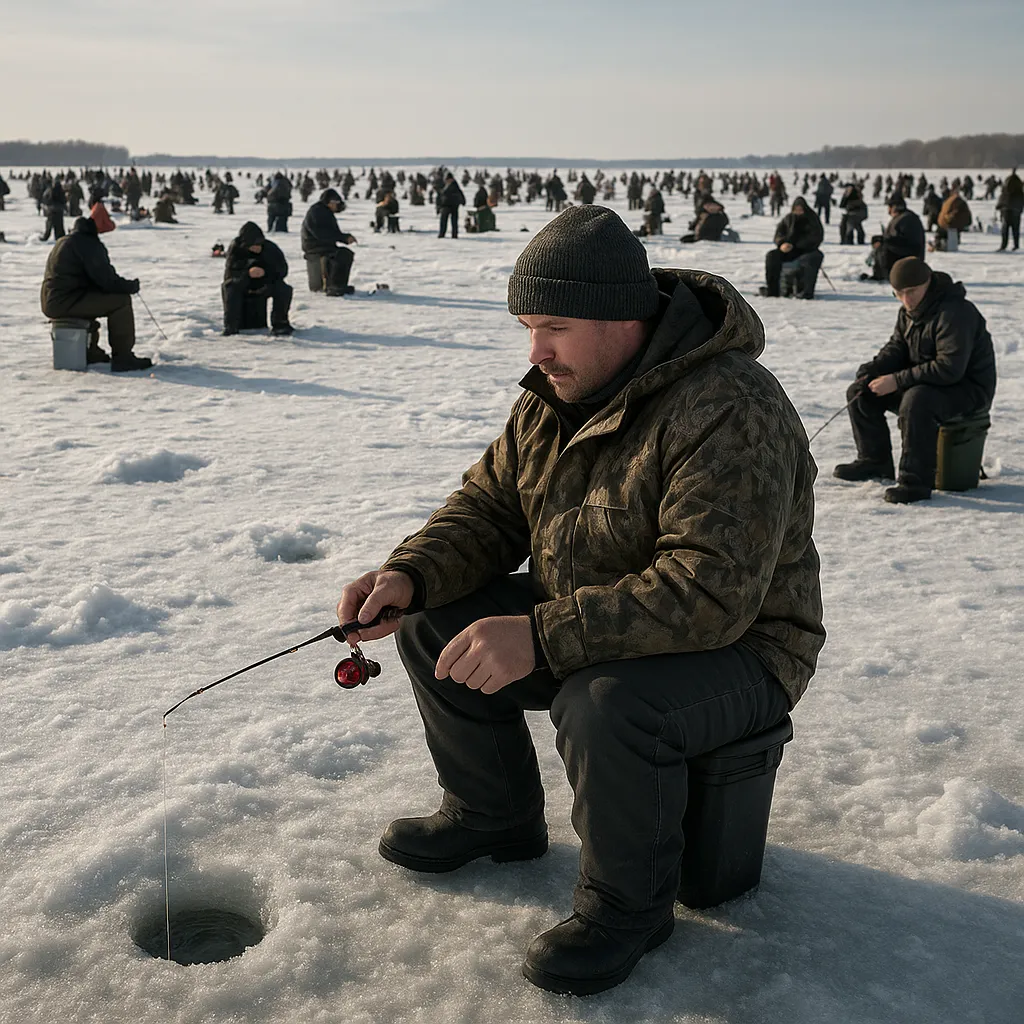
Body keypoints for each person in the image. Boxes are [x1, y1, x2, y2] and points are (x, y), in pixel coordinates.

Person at [336, 205, 824, 997]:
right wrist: (410, 575)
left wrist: (543, 634)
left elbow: (710, 592)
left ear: (622, 316)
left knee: (606, 702)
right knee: (433, 623)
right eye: (528, 325)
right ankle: (492, 815)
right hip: (597, 611)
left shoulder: (731, 406)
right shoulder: (552, 396)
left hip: (745, 650)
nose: (537, 350)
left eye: (554, 325)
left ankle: (629, 907)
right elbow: (490, 510)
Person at [834, 257, 996, 504]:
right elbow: (897, 348)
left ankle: (915, 482)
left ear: (928, 283)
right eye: (899, 294)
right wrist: (873, 369)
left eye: (911, 292)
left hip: (969, 389)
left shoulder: (956, 313)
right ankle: (874, 461)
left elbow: (949, 369)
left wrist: (896, 380)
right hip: (927, 383)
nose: (906, 300)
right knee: (861, 391)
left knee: (917, 400)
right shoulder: (908, 312)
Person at [39, 216, 151, 371]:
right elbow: (106, 280)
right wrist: (130, 286)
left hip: (52, 301)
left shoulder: (63, 241)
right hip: (65, 301)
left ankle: (91, 352)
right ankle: (123, 357)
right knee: (121, 302)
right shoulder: (87, 244)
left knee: (92, 301)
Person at [221, 221, 293, 336]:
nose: (257, 248)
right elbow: (230, 273)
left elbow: (282, 270)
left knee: (284, 289)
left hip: (265, 282)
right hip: (244, 283)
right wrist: (247, 273)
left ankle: (280, 323)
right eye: (253, 245)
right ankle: (231, 326)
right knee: (230, 286)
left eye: (259, 244)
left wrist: (265, 272)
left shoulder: (271, 248)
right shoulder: (236, 249)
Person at [761, 197, 823, 297]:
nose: (798, 212)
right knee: (772, 256)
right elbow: (779, 234)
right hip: (787, 250)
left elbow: (816, 237)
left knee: (811, 259)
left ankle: (805, 292)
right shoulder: (788, 218)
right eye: (796, 210)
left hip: (806, 250)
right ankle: (773, 290)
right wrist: (782, 244)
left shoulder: (812, 219)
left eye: (800, 210)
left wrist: (796, 245)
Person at [300, 188, 357, 295]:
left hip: (324, 246)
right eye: (337, 203)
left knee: (345, 254)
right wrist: (343, 238)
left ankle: (339, 285)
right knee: (340, 255)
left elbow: (332, 233)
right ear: (330, 202)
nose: (338, 206)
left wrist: (344, 238)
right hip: (316, 248)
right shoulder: (317, 212)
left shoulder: (324, 211)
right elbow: (320, 233)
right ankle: (332, 286)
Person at [862, 196, 925, 282]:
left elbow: (906, 243)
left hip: (909, 259)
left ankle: (885, 275)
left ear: (894, 207)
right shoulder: (903, 217)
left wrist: (885, 240)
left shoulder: (907, 219)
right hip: (907, 256)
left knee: (883, 247)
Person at [996, 168, 1022, 252]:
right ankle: (1016, 245)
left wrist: (999, 206)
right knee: (1015, 229)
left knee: (1005, 229)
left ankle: (1004, 245)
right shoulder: (1019, 190)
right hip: (1016, 210)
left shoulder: (1005, 190)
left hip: (1006, 209)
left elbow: (1002, 198)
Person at [438, 173, 465, 238]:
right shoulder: (445, 185)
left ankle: (454, 235)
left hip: (452, 205)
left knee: (453, 221)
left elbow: (459, 194)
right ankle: (442, 234)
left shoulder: (454, 186)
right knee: (444, 221)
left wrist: (462, 201)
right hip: (446, 205)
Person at [40, 175, 66, 241]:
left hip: (52, 210)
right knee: (59, 226)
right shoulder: (61, 190)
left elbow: (48, 199)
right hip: (59, 210)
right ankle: (60, 238)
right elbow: (64, 200)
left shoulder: (51, 190)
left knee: (49, 225)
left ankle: (46, 237)